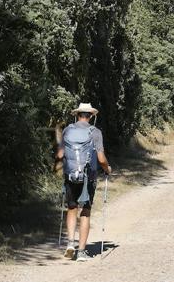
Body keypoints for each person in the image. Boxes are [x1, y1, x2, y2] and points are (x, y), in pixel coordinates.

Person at [56, 103, 112, 262]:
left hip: (70, 175)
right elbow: (101, 159)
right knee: (85, 211)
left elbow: (60, 155)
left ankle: (70, 244)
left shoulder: (67, 130)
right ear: (91, 116)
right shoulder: (95, 132)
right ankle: (81, 252)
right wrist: (107, 168)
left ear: (77, 114)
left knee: (72, 208)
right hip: (89, 176)